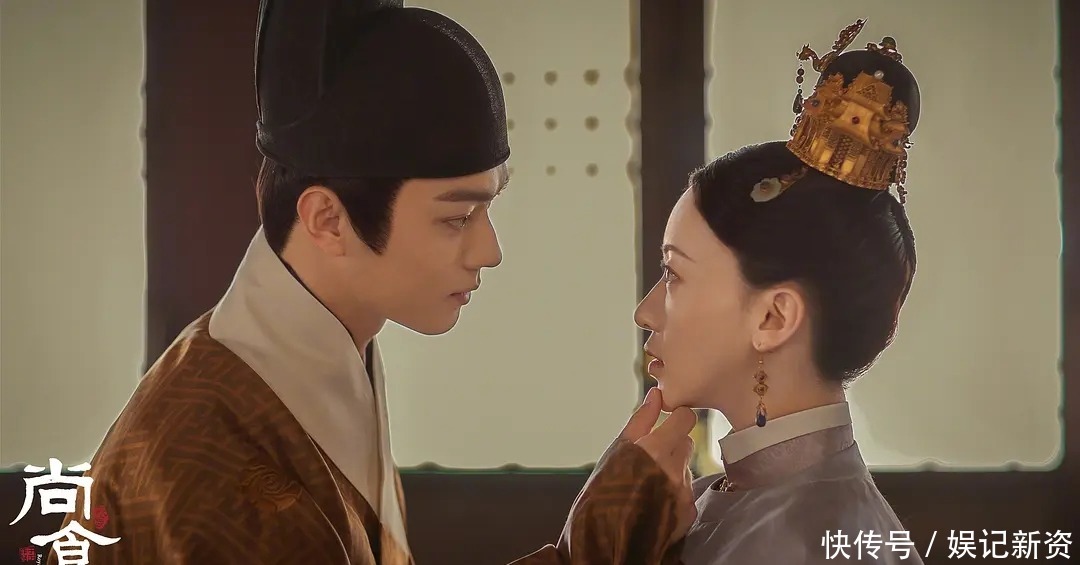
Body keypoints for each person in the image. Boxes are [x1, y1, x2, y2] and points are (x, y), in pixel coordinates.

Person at [47, 0, 696, 563]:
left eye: (488, 208)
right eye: (456, 218)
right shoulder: (210, 471)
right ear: (327, 219)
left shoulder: (321, 344)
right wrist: (595, 545)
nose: (490, 250)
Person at [633, 21, 925, 564]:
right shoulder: (712, 498)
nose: (645, 312)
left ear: (773, 318)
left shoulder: (805, 543)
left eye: (674, 276)